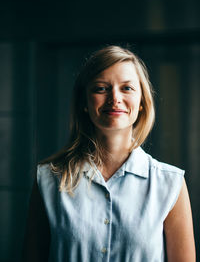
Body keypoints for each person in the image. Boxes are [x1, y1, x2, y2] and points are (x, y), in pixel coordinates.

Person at [22, 45, 196, 262]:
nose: (115, 98)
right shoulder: (48, 179)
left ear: (141, 102)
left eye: (127, 88)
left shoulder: (170, 184)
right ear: (84, 102)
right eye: (101, 88)